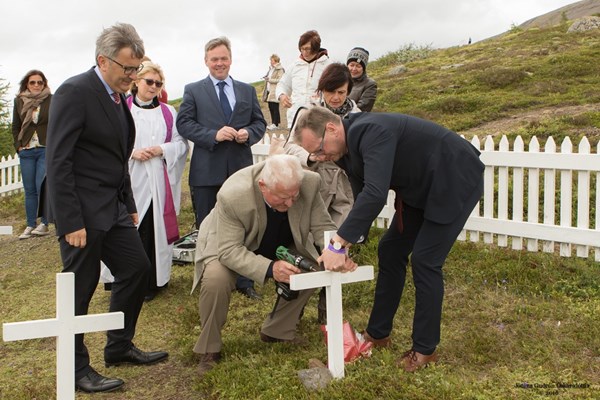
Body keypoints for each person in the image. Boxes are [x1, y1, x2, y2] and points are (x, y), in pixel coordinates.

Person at [293, 107, 485, 372]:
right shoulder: (341, 150)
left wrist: (338, 243)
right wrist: (348, 245)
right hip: (419, 188)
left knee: (425, 260)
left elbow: (375, 193)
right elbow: (361, 197)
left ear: (332, 129)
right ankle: (378, 334)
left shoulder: (371, 130)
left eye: (319, 150)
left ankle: (424, 350)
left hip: (453, 177)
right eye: (313, 154)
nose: (320, 157)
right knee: (390, 249)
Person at [45, 23, 168, 393]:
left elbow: (118, 157)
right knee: (80, 290)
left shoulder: (118, 100)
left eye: (137, 69)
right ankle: (76, 368)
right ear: (103, 60)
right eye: (128, 69)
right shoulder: (74, 92)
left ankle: (118, 345)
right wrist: (70, 220)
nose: (133, 77)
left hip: (112, 209)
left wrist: (128, 202)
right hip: (81, 213)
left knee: (136, 268)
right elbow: (58, 160)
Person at [190, 154, 357, 377]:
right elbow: (229, 251)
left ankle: (277, 330)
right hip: (233, 242)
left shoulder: (309, 182)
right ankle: (209, 348)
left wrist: (337, 251)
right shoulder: (233, 194)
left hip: (281, 238)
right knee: (216, 278)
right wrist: (271, 269)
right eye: (283, 198)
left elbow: (322, 227)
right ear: (263, 186)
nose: (290, 203)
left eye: (294, 196)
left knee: (312, 270)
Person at [177, 36, 266, 301]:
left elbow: (259, 124)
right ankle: (211, 278)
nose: (219, 63)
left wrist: (247, 133)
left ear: (230, 59)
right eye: (214, 59)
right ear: (206, 61)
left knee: (245, 224)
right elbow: (185, 124)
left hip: (240, 171)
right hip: (207, 171)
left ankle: (244, 280)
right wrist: (213, 135)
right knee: (207, 225)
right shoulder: (193, 90)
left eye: (223, 58)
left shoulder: (247, 90)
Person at [272, 63, 360, 324]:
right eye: (331, 91)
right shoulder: (307, 113)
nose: (336, 97)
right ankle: (291, 313)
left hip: (344, 187)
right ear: (322, 89)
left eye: (342, 92)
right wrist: (311, 156)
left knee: (338, 248)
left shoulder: (355, 115)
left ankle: (328, 314)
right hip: (315, 183)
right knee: (308, 249)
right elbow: (289, 147)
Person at [100, 61, 188, 301]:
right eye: (149, 81)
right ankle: (122, 281)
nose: (153, 87)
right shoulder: (121, 108)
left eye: (158, 84)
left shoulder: (168, 113)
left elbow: (181, 144)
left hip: (158, 181)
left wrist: (161, 148)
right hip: (129, 179)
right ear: (136, 81)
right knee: (126, 229)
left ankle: (151, 282)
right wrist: (132, 153)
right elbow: (107, 143)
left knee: (151, 229)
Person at [12, 70, 52, 239]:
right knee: (29, 190)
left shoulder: (52, 99)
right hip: (27, 150)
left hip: (45, 149)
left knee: (40, 186)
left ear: (44, 84)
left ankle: (44, 223)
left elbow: (57, 122)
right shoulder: (19, 101)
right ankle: (30, 225)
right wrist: (18, 147)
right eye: (32, 82)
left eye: (39, 82)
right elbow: (16, 125)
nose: (36, 85)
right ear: (26, 84)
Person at [276, 30, 331, 128]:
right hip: (295, 118)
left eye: (308, 49)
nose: (304, 52)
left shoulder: (328, 66)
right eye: (302, 49)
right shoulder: (295, 66)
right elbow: (283, 84)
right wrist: (282, 96)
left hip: (319, 120)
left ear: (316, 47)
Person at [346, 47, 378, 112]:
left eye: (358, 66)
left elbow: (362, 108)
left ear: (363, 68)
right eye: (351, 65)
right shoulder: (339, 79)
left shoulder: (370, 84)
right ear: (347, 65)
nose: (354, 69)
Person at [263, 54, 285, 130]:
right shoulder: (271, 69)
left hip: (275, 90)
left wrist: (269, 80)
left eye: (271, 60)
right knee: (271, 106)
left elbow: (280, 79)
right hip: (270, 90)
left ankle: (275, 124)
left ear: (275, 60)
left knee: (275, 107)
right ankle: (274, 123)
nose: (270, 62)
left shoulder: (280, 69)